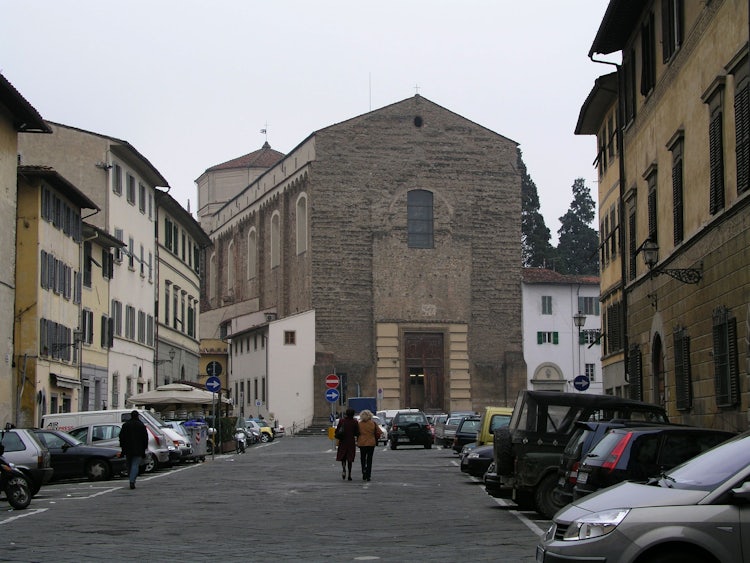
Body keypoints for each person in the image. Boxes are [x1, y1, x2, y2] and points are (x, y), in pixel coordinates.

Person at [119, 410, 149, 490]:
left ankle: (131, 478)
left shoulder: (126, 425)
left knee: (129, 465)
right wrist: (144, 448)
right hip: (138, 449)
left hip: (128, 449)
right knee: (135, 465)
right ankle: (132, 480)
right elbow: (145, 438)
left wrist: (122, 448)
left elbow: (121, 437)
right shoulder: (141, 425)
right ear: (137, 416)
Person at [357, 409, 381, 481]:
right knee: (369, 459)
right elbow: (379, 432)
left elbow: (356, 432)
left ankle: (363, 471)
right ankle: (368, 474)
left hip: (362, 443)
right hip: (371, 442)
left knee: (363, 458)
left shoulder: (359, 424)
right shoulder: (373, 423)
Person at [335, 408, 359, 481]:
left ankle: (344, 469)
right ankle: (349, 474)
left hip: (343, 441)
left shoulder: (342, 421)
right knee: (350, 458)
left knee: (343, 457)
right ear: (353, 414)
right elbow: (357, 432)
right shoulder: (355, 422)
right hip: (351, 442)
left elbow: (337, 430)